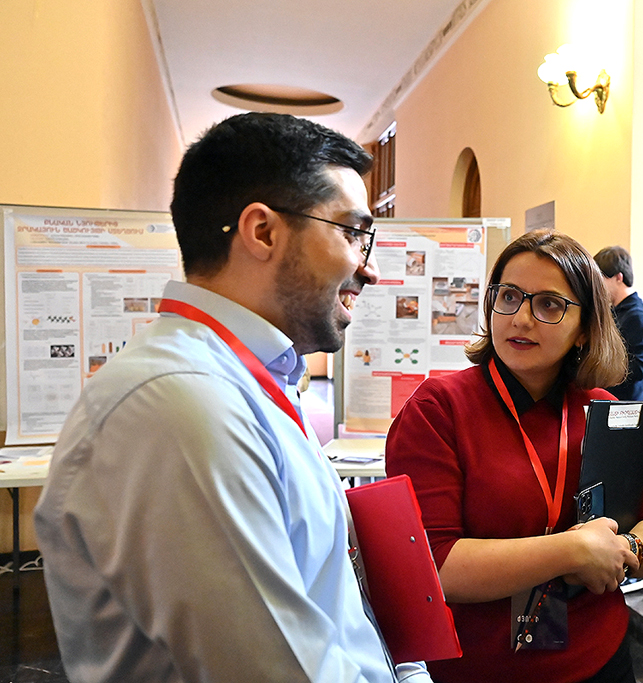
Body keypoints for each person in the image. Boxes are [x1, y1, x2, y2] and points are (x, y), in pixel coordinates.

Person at [34, 113, 430, 682]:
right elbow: (280, 669)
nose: (369, 269)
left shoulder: (251, 379)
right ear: (262, 232)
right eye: (351, 232)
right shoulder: (178, 403)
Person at [385, 230, 643, 683]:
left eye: (549, 304)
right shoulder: (438, 409)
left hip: (602, 659)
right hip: (481, 670)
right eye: (509, 297)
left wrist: (622, 550)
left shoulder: (601, 410)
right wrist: (572, 551)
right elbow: (434, 565)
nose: (521, 318)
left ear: (585, 329)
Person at [593, 246, 643, 401]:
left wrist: (599, 376)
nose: (598, 288)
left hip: (625, 408)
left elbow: (639, 370)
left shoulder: (637, 317)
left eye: (601, 280)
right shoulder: (615, 312)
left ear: (619, 278)